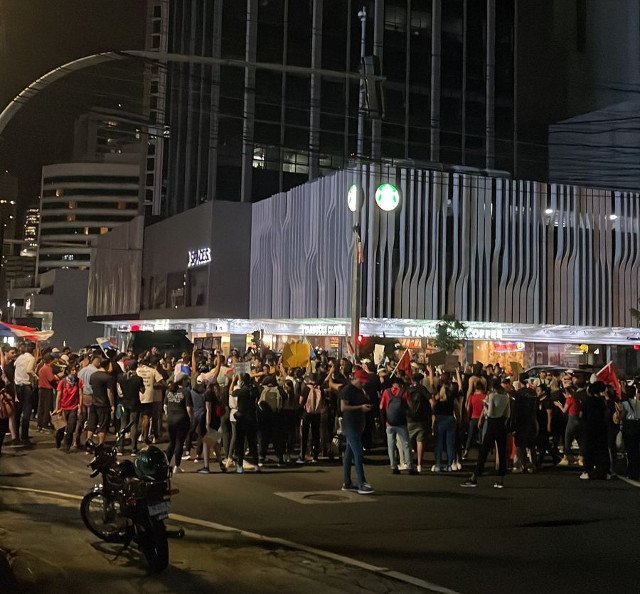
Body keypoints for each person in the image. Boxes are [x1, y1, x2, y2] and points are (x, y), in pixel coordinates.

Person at [461, 378, 511, 488]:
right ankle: (500, 480)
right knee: (502, 452)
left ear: (492, 388)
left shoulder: (492, 397)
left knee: (484, 451)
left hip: (492, 424)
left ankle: (475, 476)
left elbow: (491, 413)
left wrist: (486, 407)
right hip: (502, 425)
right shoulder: (505, 398)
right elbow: (507, 414)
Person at [339, 372, 374, 494]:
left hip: (358, 425)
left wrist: (365, 400)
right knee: (358, 453)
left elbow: (365, 400)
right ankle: (361, 482)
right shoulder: (347, 390)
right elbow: (343, 407)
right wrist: (360, 407)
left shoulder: (360, 390)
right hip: (350, 425)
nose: (363, 383)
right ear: (356, 379)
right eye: (361, 381)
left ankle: (347, 482)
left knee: (349, 455)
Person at [379, 376, 416, 475]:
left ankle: (393, 466)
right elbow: (410, 405)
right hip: (401, 422)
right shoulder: (404, 392)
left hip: (389, 423)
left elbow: (381, 406)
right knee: (406, 444)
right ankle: (409, 466)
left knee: (391, 445)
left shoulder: (386, 392)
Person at [580, 381, 610, 480]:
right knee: (602, 450)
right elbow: (606, 415)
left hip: (589, 428)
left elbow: (581, 415)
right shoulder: (602, 402)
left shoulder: (586, 401)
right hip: (601, 428)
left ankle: (587, 471)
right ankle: (604, 472)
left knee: (588, 449)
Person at [430, 372, 458, 472]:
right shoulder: (451, 393)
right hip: (450, 419)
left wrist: (430, 373)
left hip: (440, 419)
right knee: (450, 443)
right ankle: (449, 464)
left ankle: (437, 464)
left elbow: (432, 385)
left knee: (438, 443)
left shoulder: (437, 396)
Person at [233, 373, 260, 474]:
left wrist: (235, 382)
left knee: (240, 443)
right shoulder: (254, 390)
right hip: (252, 418)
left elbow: (232, 393)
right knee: (252, 443)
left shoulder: (240, 391)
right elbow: (257, 399)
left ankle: (240, 466)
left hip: (242, 418)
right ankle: (256, 465)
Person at [164, 379, 192, 473]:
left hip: (171, 420)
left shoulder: (168, 392)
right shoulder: (186, 392)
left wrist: (168, 415)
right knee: (179, 442)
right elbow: (189, 408)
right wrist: (191, 418)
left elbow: (165, 406)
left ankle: (166, 464)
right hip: (182, 419)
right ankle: (177, 465)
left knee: (172, 443)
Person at [117, 361, 145, 455]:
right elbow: (142, 390)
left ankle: (120, 448)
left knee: (123, 424)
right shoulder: (138, 379)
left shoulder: (121, 377)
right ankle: (133, 448)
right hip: (135, 404)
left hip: (124, 403)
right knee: (134, 425)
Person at [53, 365, 83, 452]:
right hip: (63, 407)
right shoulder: (63, 382)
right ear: (68, 371)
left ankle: (67, 445)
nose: (75, 372)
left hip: (73, 407)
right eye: (72, 370)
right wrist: (57, 407)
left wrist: (80, 406)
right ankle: (58, 439)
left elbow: (80, 394)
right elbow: (58, 395)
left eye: (76, 370)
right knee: (61, 427)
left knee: (71, 427)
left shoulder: (79, 381)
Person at [297, 374, 326, 464]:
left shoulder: (306, 388)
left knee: (304, 434)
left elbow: (301, 402)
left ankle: (302, 455)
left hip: (307, 413)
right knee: (316, 434)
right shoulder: (320, 389)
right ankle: (315, 456)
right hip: (317, 413)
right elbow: (323, 401)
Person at [85, 359, 115, 446]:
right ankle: (101, 444)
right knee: (103, 425)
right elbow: (110, 392)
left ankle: (88, 441)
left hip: (94, 402)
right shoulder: (108, 377)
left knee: (92, 423)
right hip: (104, 403)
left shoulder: (93, 375)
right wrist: (112, 404)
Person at [555, 382, 584, 467]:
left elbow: (564, 410)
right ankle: (582, 458)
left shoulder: (569, 399)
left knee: (567, 438)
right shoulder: (577, 399)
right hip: (578, 420)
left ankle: (566, 457)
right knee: (579, 439)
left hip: (571, 420)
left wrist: (559, 405)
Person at [407, 373, 431, 473]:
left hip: (409, 418)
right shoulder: (422, 389)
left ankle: (409, 462)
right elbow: (432, 401)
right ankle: (419, 464)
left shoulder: (408, 390)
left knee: (408, 442)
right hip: (422, 419)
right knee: (420, 441)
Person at [14, 343, 36, 446]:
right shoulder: (31, 358)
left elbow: (15, 366)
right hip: (26, 386)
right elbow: (28, 370)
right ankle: (24, 437)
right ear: (34, 350)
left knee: (17, 412)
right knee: (26, 412)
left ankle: (16, 436)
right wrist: (36, 376)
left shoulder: (20, 357)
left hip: (17, 386)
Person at [76, 354, 100, 448]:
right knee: (91, 420)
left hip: (82, 396)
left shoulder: (82, 370)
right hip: (91, 396)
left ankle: (76, 440)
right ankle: (87, 441)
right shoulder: (95, 371)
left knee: (80, 420)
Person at [37, 354, 62, 432]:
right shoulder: (48, 368)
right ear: (51, 360)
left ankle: (40, 424)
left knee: (41, 407)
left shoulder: (42, 368)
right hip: (47, 389)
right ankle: (45, 424)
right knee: (47, 407)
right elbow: (51, 379)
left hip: (41, 389)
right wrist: (57, 377)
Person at [464, 377, 487, 458]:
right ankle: (481, 454)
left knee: (470, 436)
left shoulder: (471, 397)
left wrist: (467, 419)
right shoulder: (485, 397)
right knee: (481, 437)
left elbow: (468, 409)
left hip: (473, 418)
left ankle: (466, 450)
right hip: (482, 419)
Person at [621, 385, 640, 480]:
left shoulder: (625, 403)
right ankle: (637, 471)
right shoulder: (639, 402)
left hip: (629, 426)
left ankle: (631, 471)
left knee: (630, 449)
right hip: (638, 425)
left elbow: (623, 415)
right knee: (636, 449)